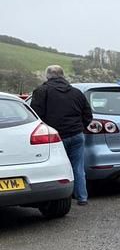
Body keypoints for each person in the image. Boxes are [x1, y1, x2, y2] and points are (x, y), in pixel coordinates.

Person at [30, 65, 93, 205]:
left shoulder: (42, 91)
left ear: (47, 76)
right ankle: (82, 198)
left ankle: (59, 199)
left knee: (56, 168)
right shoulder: (77, 93)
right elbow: (88, 114)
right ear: (63, 75)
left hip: (55, 137)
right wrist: (79, 127)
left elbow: (36, 116)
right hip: (77, 135)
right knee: (78, 167)